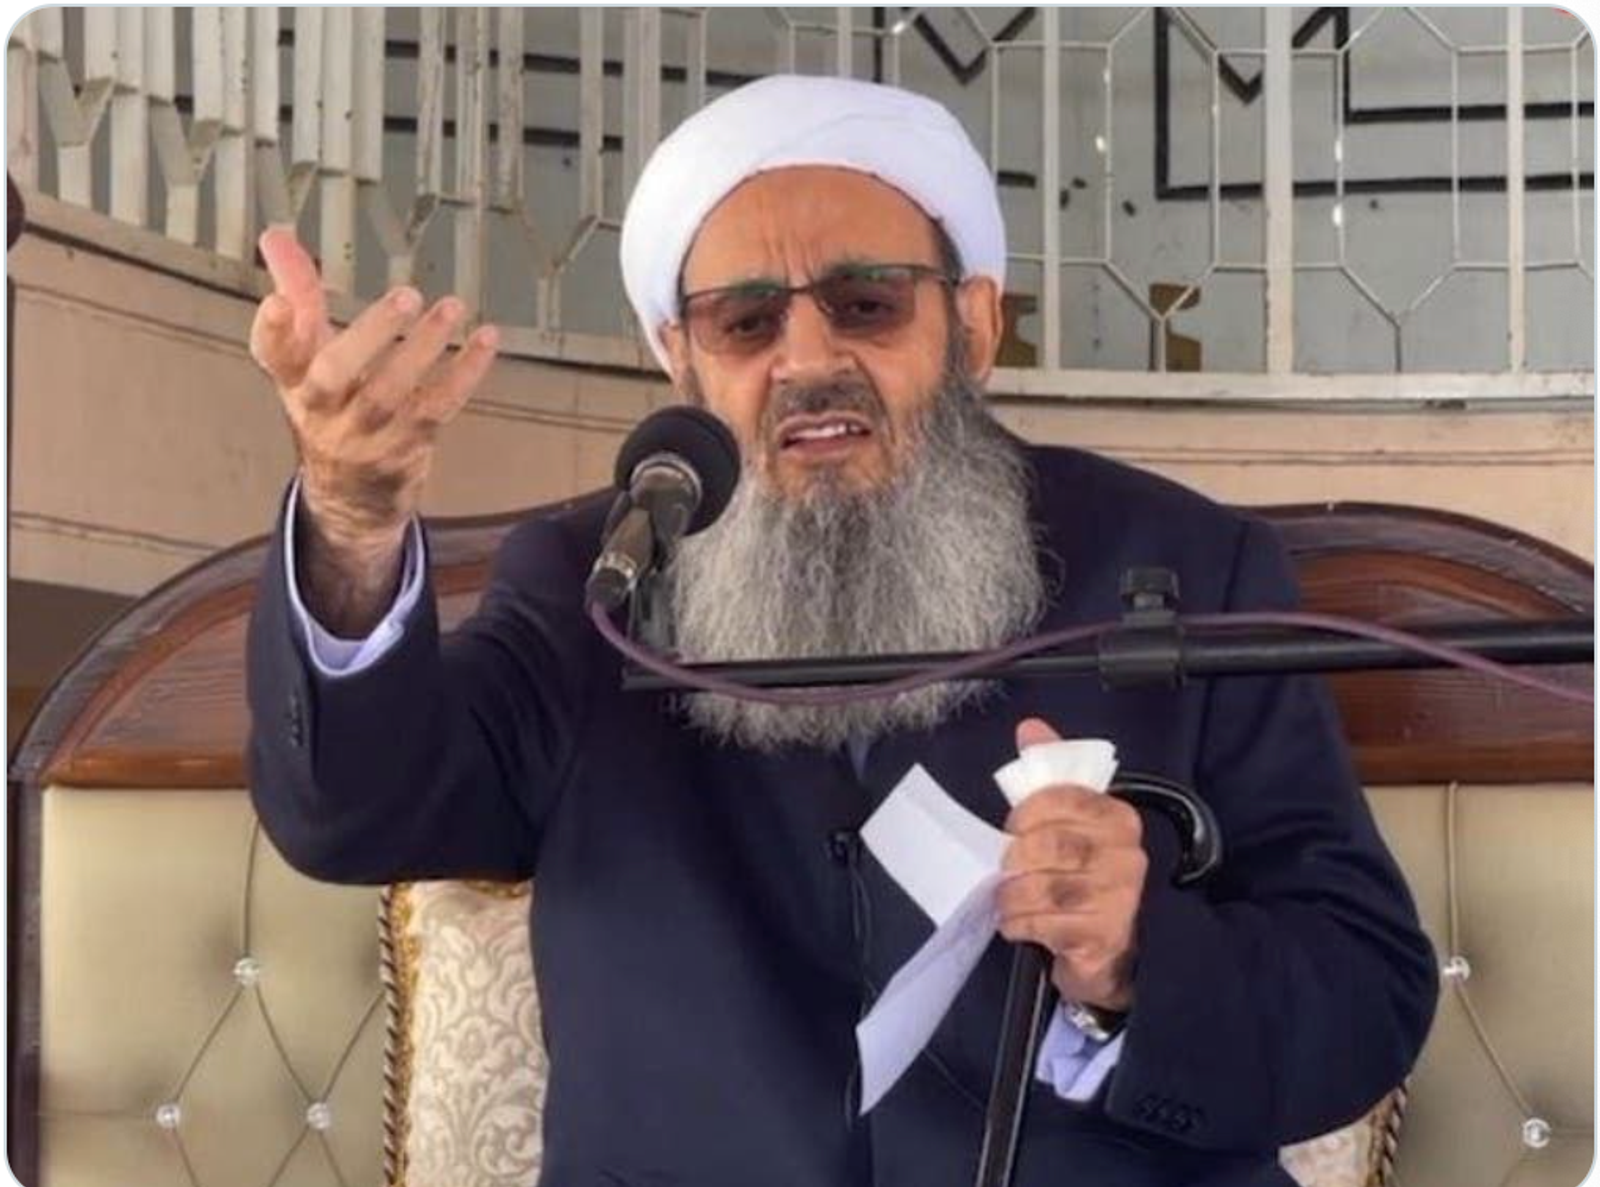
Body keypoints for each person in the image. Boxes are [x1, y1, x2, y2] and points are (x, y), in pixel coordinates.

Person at [247, 75, 1436, 1187]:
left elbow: (1363, 996)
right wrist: (351, 520)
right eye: (746, 322)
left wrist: (1136, 958)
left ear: (974, 324)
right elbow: (359, 809)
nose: (809, 360)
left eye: (867, 305)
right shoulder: (593, 584)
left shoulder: (1180, 564)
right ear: (679, 359)